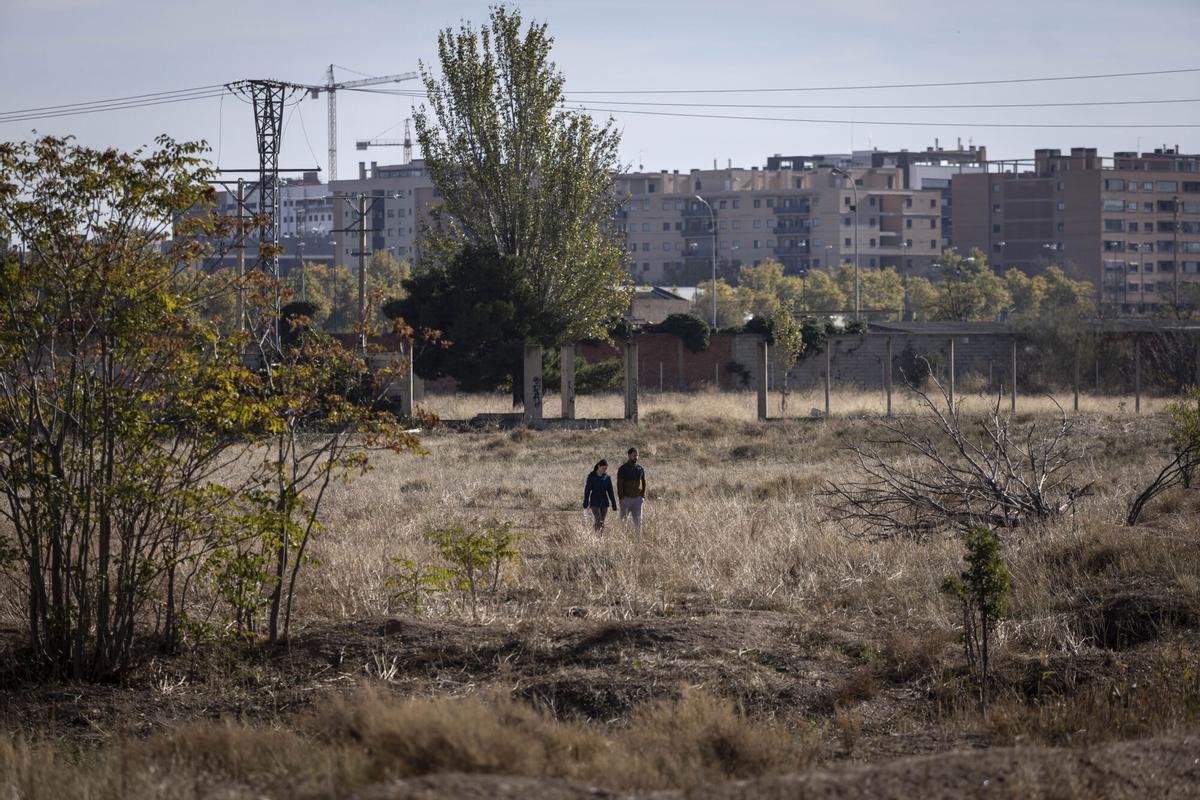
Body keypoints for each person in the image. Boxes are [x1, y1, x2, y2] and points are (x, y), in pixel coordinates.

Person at [616, 447, 646, 531]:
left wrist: (642, 496)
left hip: (637, 499)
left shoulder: (640, 468)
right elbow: (619, 484)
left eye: (637, 455)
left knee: (638, 523)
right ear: (629, 456)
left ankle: (638, 541)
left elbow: (644, 482)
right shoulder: (622, 469)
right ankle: (622, 540)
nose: (636, 457)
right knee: (623, 523)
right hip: (626, 499)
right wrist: (621, 498)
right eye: (634, 455)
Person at [583, 459, 617, 531]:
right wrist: (586, 500)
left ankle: (599, 536)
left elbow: (610, 491)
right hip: (594, 502)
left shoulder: (607, 478)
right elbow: (587, 490)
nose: (604, 470)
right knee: (598, 519)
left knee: (602, 521)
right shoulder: (591, 476)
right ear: (599, 466)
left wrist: (613, 502)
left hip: (604, 502)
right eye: (603, 468)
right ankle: (597, 537)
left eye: (606, 468)